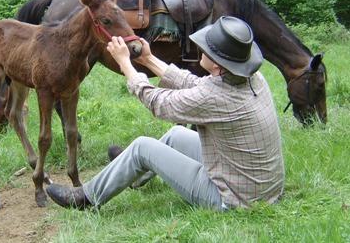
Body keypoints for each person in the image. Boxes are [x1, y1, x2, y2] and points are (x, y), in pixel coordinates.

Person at [46, 16, 285, 210]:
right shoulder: (252, 77)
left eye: (206, 48)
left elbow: (157, 101)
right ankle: (136, 175)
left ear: (218, 65)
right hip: (261, 186)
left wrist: (125, 64)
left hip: (233, 199)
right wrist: (148, 59)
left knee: (142, 147)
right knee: (176, 134)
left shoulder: (215, 98)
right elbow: (194, 84)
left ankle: (86, 198)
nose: (200, 47)